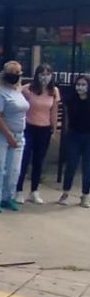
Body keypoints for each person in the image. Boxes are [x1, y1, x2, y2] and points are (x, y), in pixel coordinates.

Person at [0, 61, 29, 213]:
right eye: (11, 72)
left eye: (17, 72)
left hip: (19, 134)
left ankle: (8, 197)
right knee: (0, 168)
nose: (14, 75)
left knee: (14, 169)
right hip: (1, 134)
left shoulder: (18, 91)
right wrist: (8, 135)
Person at [15, 64, 60, 205]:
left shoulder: (54, 91)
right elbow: (16, 96)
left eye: (47, 74)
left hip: (44, 129)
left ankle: (34, 191)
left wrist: (54, 130)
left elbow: (54, 112)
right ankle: (19, 191)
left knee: (38, 162)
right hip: (28, 128)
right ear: (37, 75)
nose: (44, 77)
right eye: (42, 74)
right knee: (24, 160)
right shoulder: (28, 89)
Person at [60, 75, 90, 208]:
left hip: (88, 136)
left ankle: (85, 196)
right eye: (78, 84)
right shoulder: (71, 100)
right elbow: (67, 118)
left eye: (83, 85)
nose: (80, 87)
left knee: (87, 167)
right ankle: (65, 193)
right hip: (74, 135)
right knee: (71, 164)